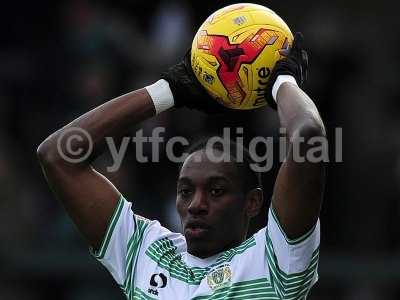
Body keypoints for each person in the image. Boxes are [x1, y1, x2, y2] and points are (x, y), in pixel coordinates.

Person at [37, 32, 326, 299]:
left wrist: (282, 82)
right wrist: (169, 90)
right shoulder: (148, 253)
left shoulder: (276, 260)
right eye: (185, 191)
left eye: (216, 191)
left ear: (252, 202)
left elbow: (309, 137)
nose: (196, 205)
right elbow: (57, 156)